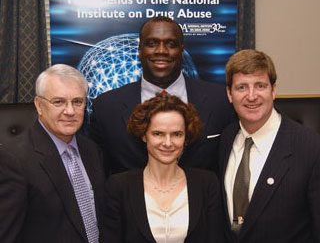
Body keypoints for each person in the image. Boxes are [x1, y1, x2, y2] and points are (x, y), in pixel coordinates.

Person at [90, 16, 234, 175]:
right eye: (152, 44)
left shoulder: (220, 100)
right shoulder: (106, 107)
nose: (161, 51)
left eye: (171, 44)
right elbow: (99, 175)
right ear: (139, 50)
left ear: (182, 51)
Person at [219, 49, 320, 242]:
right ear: (229, 94)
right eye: (241, 87)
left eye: (260, 86)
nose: (251, 96)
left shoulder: (311, 148)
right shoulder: (226, 138)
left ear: (273, 90)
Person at [0, 64, 105, 242]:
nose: (70, 111)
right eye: (59, 102)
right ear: (39, 105)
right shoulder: (13, 160)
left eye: (77, 102)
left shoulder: (91, 150)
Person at [102, 93, 226, 242]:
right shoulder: (118, 186)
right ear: (144, 135)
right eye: (158, 134)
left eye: (176, 134)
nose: (168, 143)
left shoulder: (207, 183)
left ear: (186, 137)